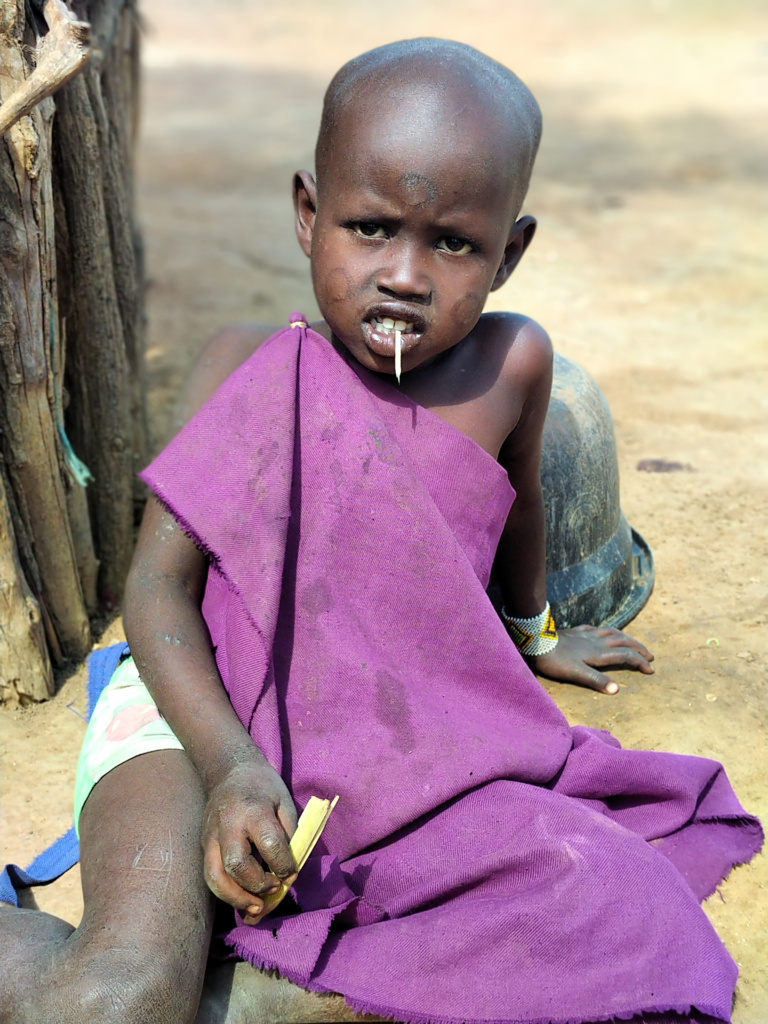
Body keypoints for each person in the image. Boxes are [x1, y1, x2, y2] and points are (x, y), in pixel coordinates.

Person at [0, 38, 760, 1024]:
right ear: (307, 214)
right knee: (121, 996)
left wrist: (535, 636)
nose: (404, 275)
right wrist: (231, 767)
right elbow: (155, 593)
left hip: (397, 738)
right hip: (198, 712)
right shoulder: (248, 366)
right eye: (369, 228)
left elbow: (517, 510)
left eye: (453, 244)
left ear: (510, 252)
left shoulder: (512, 367)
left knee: (612, 907)